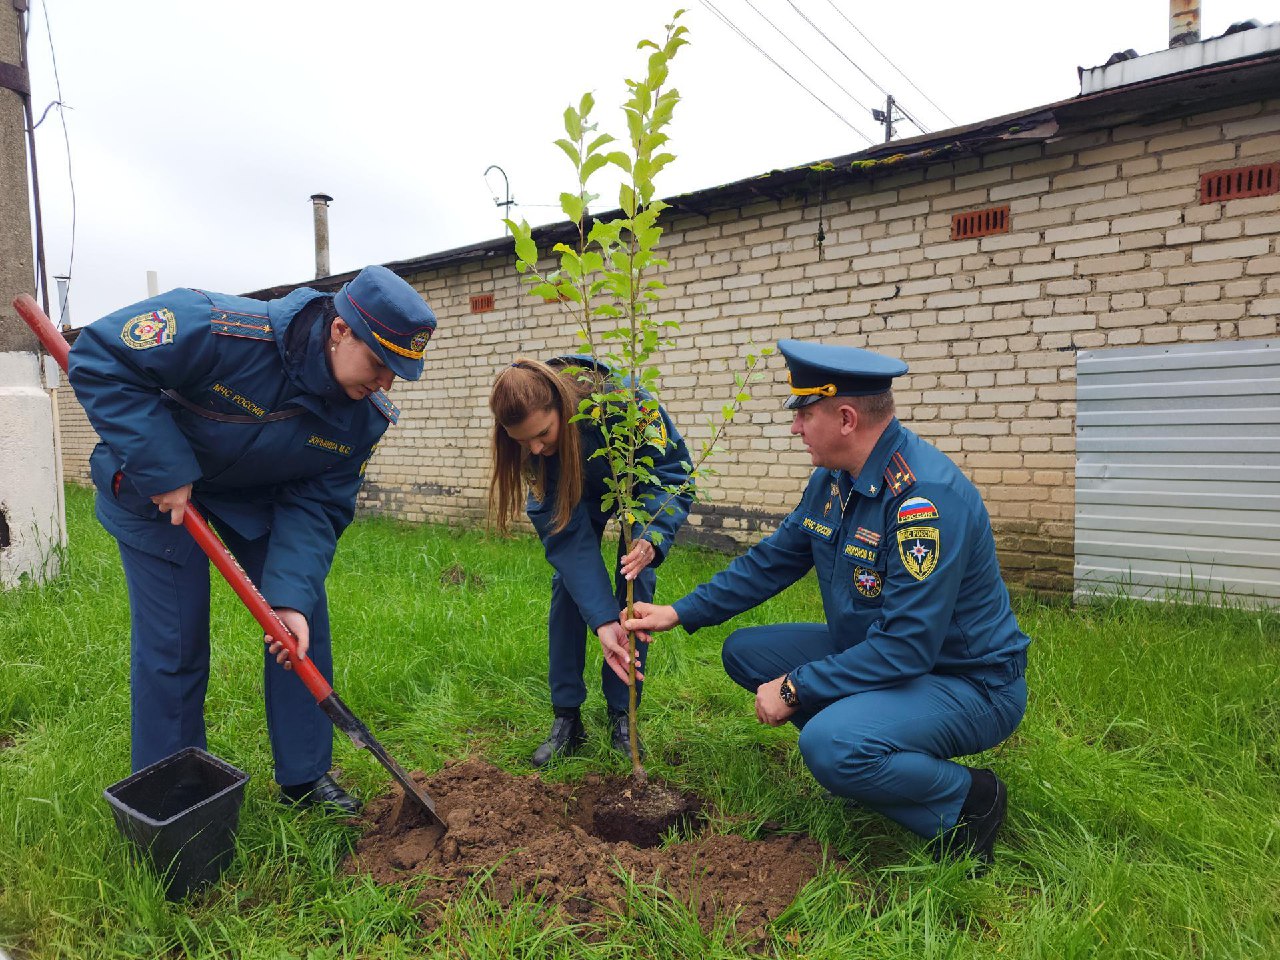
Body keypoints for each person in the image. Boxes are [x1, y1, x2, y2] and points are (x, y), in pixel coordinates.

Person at [625, 339, 1029, 866]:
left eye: (804, 413)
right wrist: (680, 612)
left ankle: (964, 801)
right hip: (887, 655)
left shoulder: (923, 500)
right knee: (745, 653)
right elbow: (773, 560)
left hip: (969, 680)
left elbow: (907, 647)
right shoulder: (834, 480)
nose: (795, 428)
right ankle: (874, 754)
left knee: (828, 745)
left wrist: (797, 688)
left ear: (844, 418)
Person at [68, 265, 437, 814]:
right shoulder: (217, 329)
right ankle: (174, 796)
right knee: (174, 639)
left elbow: (319, 503)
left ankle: (305, 778)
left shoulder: (363, 419)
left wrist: (288, 597)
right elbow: (99, 356)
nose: (385, 383)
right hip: (157, 486)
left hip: (256, 497)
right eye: (380, 364)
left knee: (301, 622)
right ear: (340, 331)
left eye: (398, 373)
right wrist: (163, 467)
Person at [488, 357, 693, 766]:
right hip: (573, 492)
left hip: (635, 488)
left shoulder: (629, 404)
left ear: (561, 407)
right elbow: (565, 537)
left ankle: (623, 713)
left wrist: (653, 535)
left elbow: (673, 472)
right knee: (572, 587)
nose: (534, 449)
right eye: (522, 441)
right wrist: (601, 620)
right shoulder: (531, 445)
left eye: (543, 434)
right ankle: (567, 718)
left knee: (636, 580)